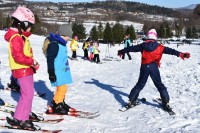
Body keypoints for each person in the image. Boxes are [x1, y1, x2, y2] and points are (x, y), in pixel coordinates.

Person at [118, 29, 190, 109]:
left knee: (139, 84)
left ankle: (131, 101)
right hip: (154, 67)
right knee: (159, 85)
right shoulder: (160, 47)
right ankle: (166, 102)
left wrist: (122, 51)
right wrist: (181, 54)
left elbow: (131, 48)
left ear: (148, 36)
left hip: (144, 67)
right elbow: (171, 51)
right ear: (155, 37)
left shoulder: (142, 45)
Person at [4, 6, 40, 129]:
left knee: (28, 93)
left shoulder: (20, 36)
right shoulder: (16, 38)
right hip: (21, 69)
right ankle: (20, 119)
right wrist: (32, 62)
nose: (30, 28)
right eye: (29, 25)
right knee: (27, 94)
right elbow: (18, 56)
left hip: (26, 69)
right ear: (22, 24)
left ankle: (24, 114)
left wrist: (32, 64)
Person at [42, 24, 74, 114]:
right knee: (61, 89)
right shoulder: (55, 44)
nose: (69, 39)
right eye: (68, 36)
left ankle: (61, 102)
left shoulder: (61, 43)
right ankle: (57, 104)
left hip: (62, 71)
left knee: (64, 88)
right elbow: (50, 59)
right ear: (64, 35)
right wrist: (51, 72)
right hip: (57, 72)